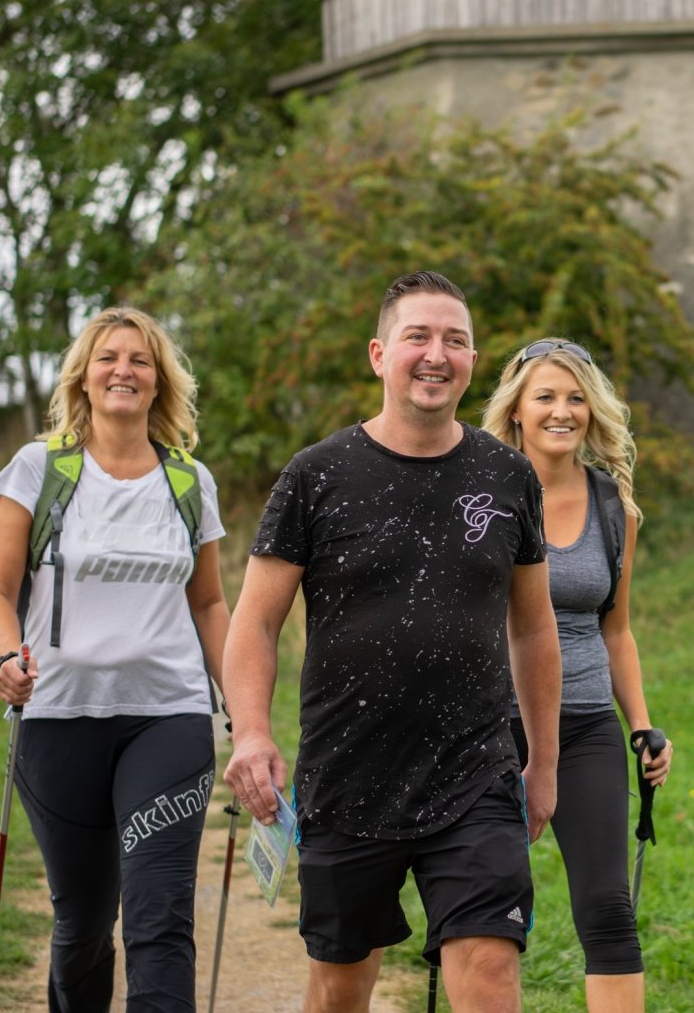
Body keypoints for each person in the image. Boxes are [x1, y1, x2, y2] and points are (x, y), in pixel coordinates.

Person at [222, 271, 562, 1013]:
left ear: (473, 361)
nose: (437, 354)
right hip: (348, 776)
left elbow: (533, 627)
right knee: (342, 990)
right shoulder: (315, 476)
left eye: (456, 340)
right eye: (419, 337)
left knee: (491, 972)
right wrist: (250, 732)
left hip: (477, 773)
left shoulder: (508, 477)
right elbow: (254, 621)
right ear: (379, 354)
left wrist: (543, 763)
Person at [0, 305, 231, 1011]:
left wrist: (238, 693)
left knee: (158, 916)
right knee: (84, 923)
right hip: (59, 716)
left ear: (159, 383)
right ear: (84, 378)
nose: (124, 370)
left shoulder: (189, 481)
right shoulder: (39, 467)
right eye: (109, 358)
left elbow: (210, 604)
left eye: (140, 360)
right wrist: (6, 656)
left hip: (169, 717)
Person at [482, 338, 673, 1013]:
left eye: (575, 398)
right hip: (491, 723)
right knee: (488, 909)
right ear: (517, 410)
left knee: (607, 905)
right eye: (546, 397)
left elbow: (615, 629)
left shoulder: (612, 507)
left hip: (586, 720)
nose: (562, 412)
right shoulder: (481, 493)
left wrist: (643, 725)